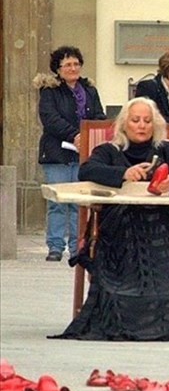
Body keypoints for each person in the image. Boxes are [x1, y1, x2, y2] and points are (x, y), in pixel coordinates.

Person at [49, 98, 169, 341]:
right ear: (124, 124)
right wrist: (123, 174)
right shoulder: (109, 151)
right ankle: (123, 315)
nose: (141, 125)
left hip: (162, 227)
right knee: (123, 250)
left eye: (147, 121)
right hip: (121, 226)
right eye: (135, 120)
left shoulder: (166, 149)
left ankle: (167, 319)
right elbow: (88, 170)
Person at [35, 46, 105, 262]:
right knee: (57, 203)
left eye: (76, 64)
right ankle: (55, 246)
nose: (72, 68)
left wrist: (93, 133)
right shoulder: (50, 91)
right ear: (58, 69)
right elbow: (50, 119)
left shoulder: (90, 90)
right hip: (57, 155)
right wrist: (76, 134)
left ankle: (78, 246)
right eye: (67, 65)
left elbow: (99, 115)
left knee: (80, 203)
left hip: (83, 155)